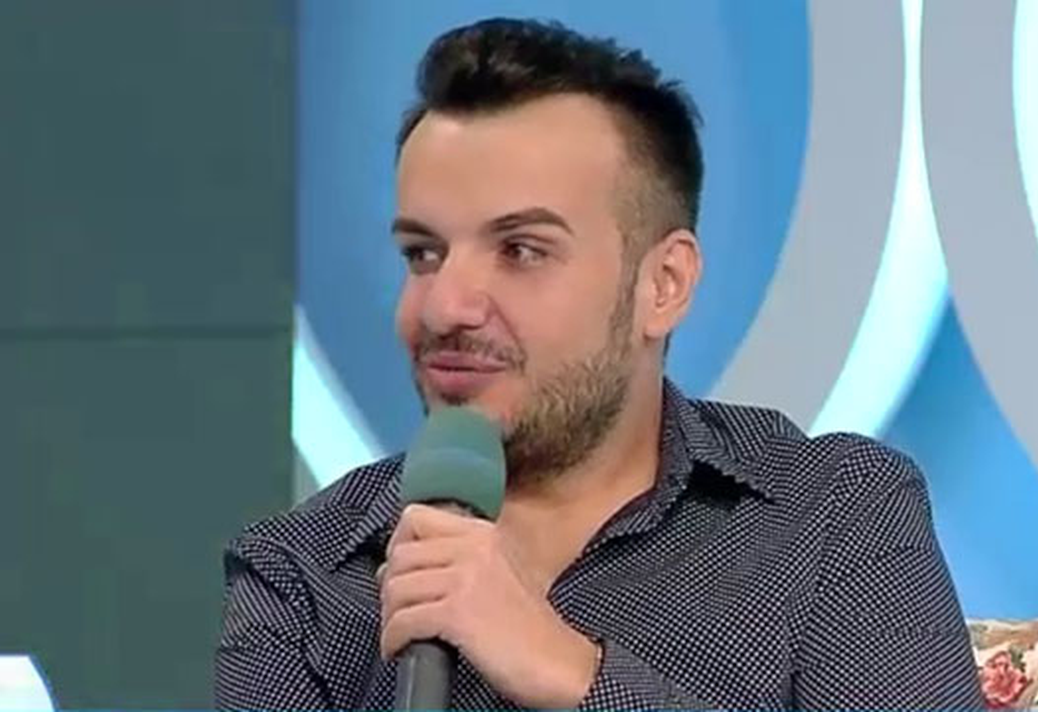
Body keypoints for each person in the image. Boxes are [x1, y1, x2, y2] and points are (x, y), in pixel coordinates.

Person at [215, 17, 983, 710]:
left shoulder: (830, 513)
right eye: (423, 253)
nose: (445, 306)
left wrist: (574, 674)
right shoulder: (301, 572)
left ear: (663, 285)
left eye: (521, 250)